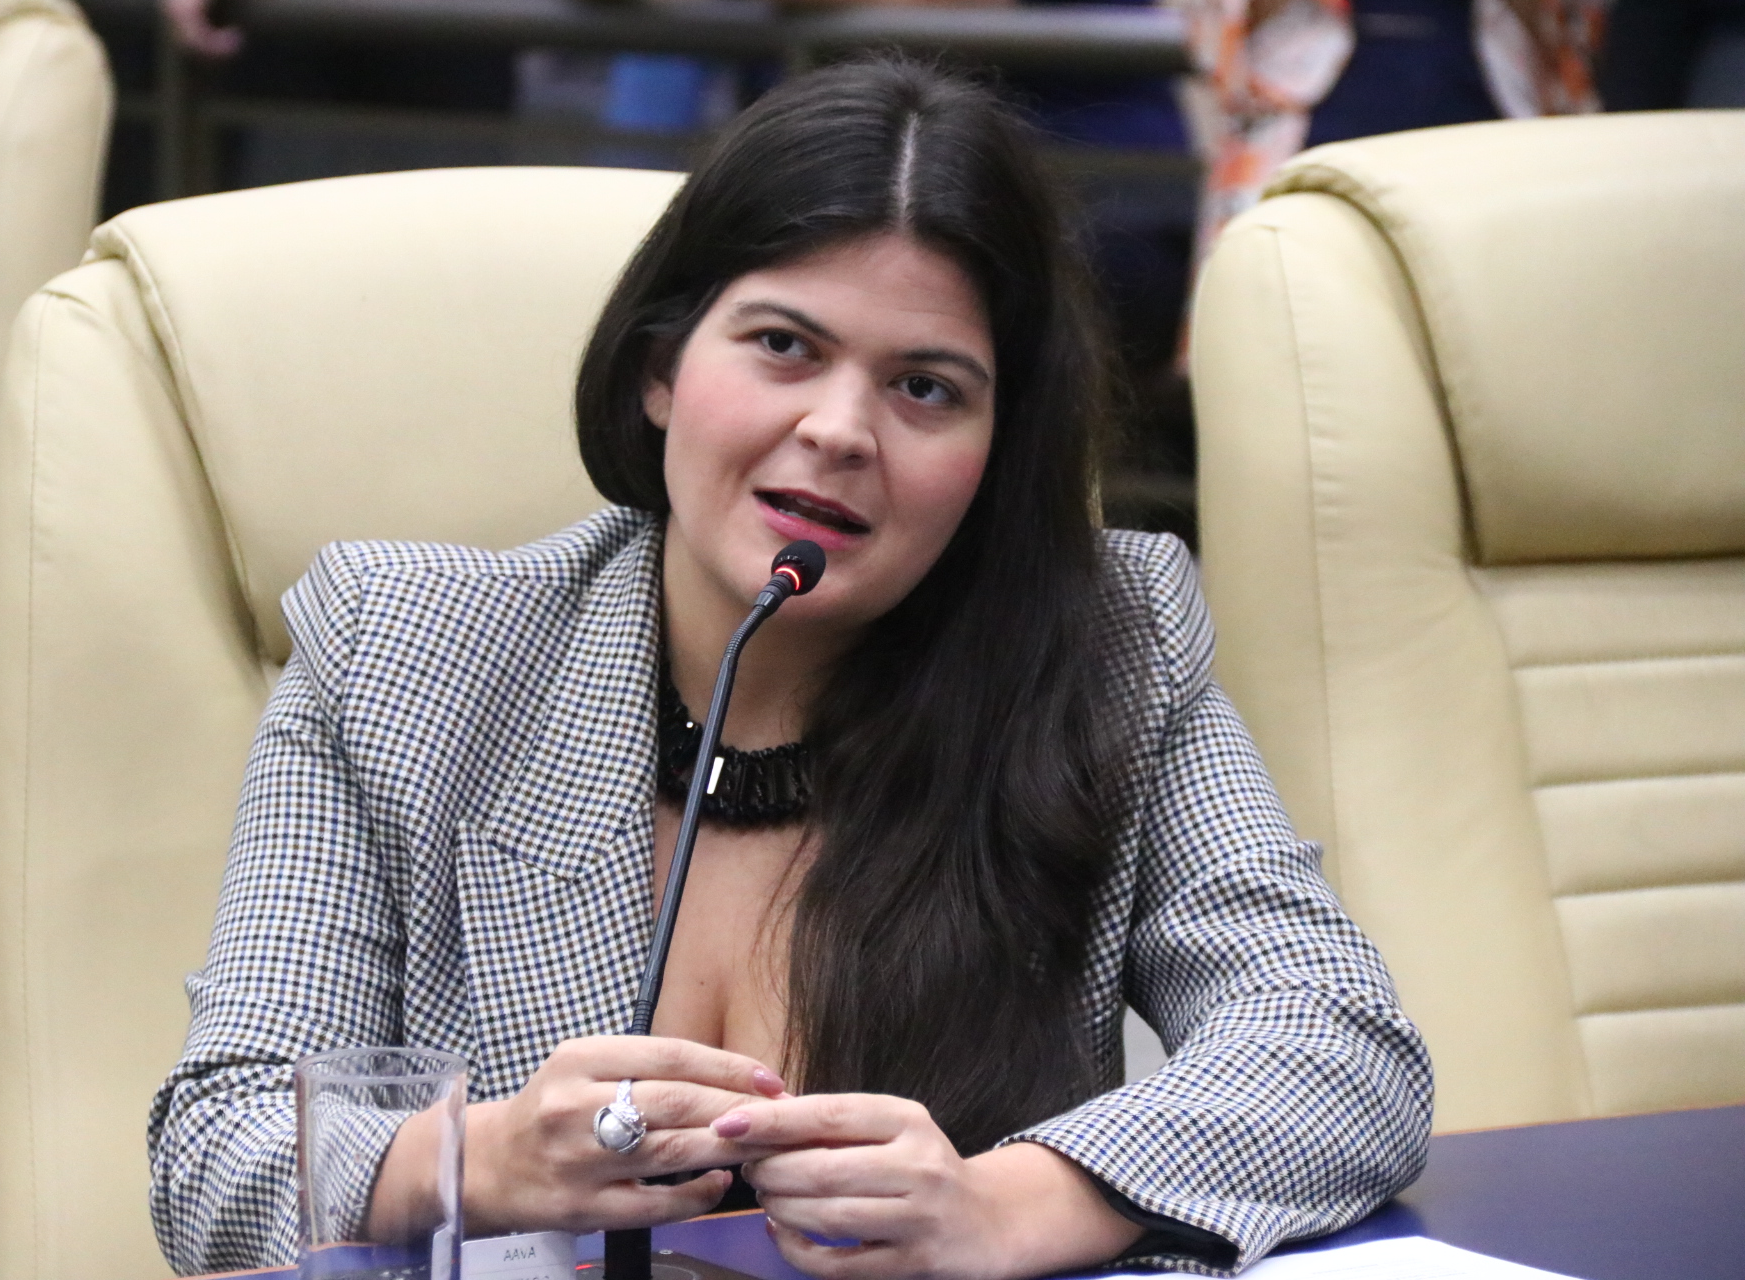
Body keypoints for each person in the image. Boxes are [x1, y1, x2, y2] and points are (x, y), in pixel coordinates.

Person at [148, 56, 1432, 1279]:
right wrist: (484, 1159)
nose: (838, 429)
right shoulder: (404, 652)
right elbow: (218, 1150)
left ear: (996, 452)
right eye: (782, 345)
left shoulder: (1104, 649)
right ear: (661, 367)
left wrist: (1002, 1205)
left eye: (926, 387)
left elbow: (1340, 1043)